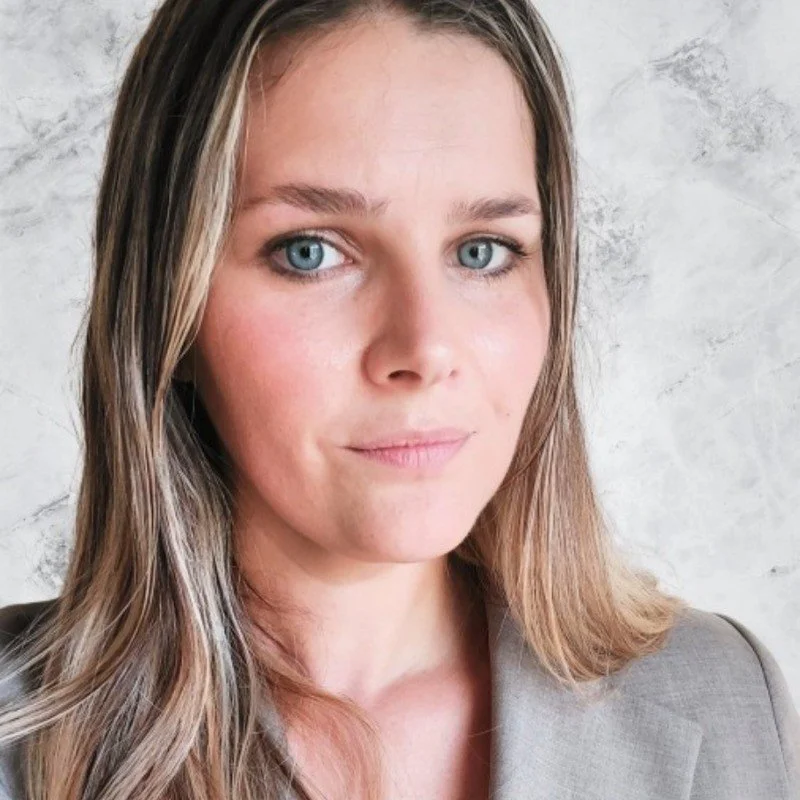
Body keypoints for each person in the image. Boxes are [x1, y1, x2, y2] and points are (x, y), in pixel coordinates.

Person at [1, 1, 798, 799]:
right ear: (166, 305)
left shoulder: (724, 698)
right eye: (310, 252)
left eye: (482, 252)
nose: (423, 349)